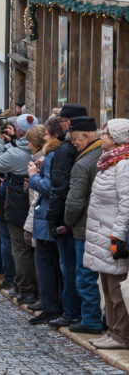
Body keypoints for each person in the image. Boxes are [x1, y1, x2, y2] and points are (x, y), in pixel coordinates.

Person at [83, 119, 129, 348]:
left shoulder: (124, 165)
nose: (102, 136)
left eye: (106, 133)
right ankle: (112, 331)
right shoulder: (109, 161)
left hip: (112, 236)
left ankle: (121, 334)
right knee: (108, 287)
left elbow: (126, 204)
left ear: (118, 138)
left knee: (117, 289)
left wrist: (117, 237)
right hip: (101, 235)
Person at [0, 113, 39, 305]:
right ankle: (30, 287)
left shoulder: (17, 152)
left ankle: (25, 288)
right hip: (31, 203)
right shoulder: (37, 149)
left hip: (18, 202)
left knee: (20, 247)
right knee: (32, 249)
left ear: (18, 130)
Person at [47, 104, 87, 329]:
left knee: (70, 267)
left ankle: (72, 311)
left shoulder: (65, 150)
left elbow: (59, 187)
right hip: (74, 216)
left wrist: (53, 219)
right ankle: (74, 310)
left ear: (68, 122)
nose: (59, 123)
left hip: (67, 217)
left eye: (61, 120)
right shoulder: (77, 148)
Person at [64, 115, 104, 335]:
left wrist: (67, 222)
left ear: (86, 136)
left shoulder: (84, 162)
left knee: (85, 275)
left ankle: (90, 320)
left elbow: (75, 201)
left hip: (84, 227)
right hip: (100, 225)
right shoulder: (102, 155)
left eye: (75, 139)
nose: (73, 143)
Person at [26, 122, 62, 324]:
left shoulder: (52, 155)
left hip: (47, 215)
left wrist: (33, 176)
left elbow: (48, 186)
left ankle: (51, 307)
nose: (45, 139)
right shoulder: (58, 154)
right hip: (51, 216)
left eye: (47, 135)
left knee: (46, 264)